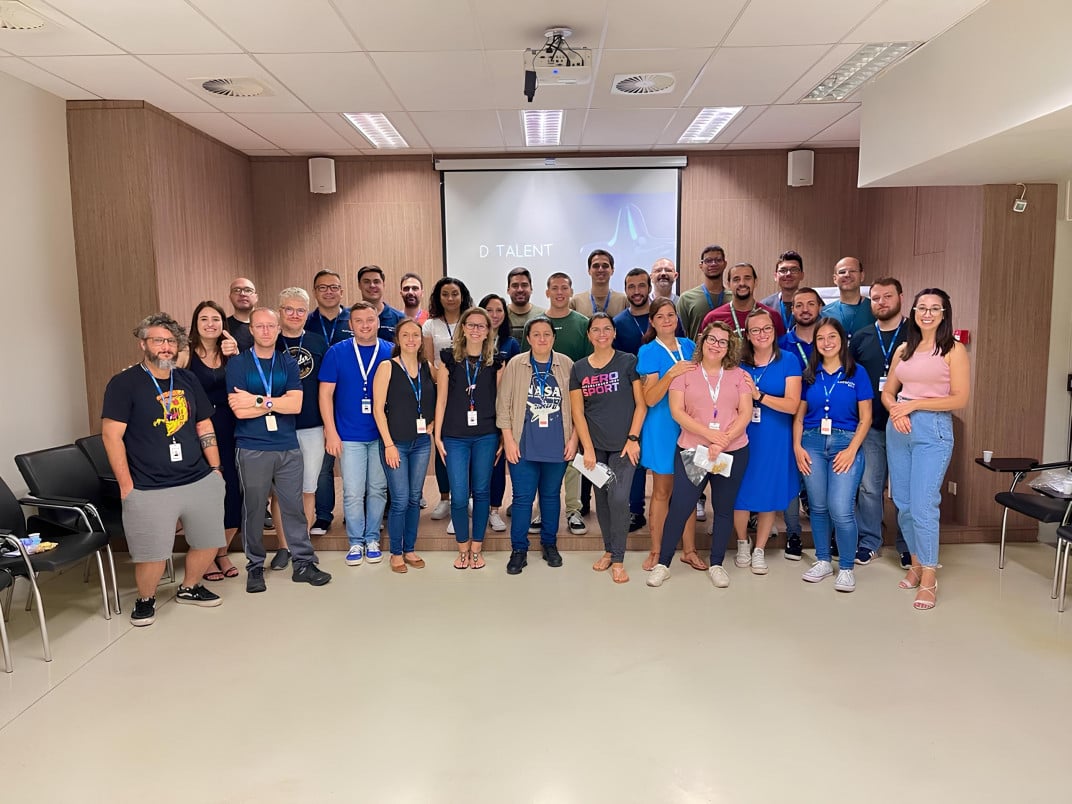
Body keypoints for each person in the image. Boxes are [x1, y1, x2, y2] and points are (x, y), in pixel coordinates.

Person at [102, 313, 226, 625]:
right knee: (153, 554)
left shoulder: (186, 379)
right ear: (143, 343)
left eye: (171, 341)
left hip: (198, 478)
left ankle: (190, 587)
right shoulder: (124, 384)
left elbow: (203, 423)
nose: (166, 346)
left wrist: (215, 468)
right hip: (148, 485)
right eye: (158, 340)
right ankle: (145, 599)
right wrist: (126, 486)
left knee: (209, 540)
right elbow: (111, 436)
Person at [227, 308, 332, 592]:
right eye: (259, 326)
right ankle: (254, 566)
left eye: (270, 326)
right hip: (252, 447)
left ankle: (303, 563)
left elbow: (295, 405)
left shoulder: (287, 362)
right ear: (251, 330)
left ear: (277, 329)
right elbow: (239, 411)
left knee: (293, 507)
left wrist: (258, 400)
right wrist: (276, 402)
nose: (265, 331)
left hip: (288, 446)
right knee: (254, 509)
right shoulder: (238, 364)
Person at [882, 288, 970, 611]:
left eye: (935, 308)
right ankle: (916, 563)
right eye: (922, 308)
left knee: (923, 505)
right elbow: (888, 392)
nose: (927, 313)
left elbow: (960, 398)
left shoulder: (953, 350)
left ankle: (930, 576)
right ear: (914, 312)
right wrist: (895, 410)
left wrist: (914, 405)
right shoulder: (903, 350)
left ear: (944, 314)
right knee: (903, 504)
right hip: (899, 427)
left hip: (932, 429)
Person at [647, 321, 752, 589]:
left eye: (722, 341)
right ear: (702, 341)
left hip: (732, 451)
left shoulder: (738, 375)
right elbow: (677, 412)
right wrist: (711, 436)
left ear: (729, 347)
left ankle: (717, 564)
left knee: (724, 509)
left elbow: (745, 413)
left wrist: (723, 440)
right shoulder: (685, 372)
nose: (716, 345)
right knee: (681, 507)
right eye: (711, 339)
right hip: (694, 451)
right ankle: (663, 565)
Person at [792, 318, 872, 593]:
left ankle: (846, 567)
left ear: (842, 340)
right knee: (818, 507)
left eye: (832, 337)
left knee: (840, 508)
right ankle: (823, 560)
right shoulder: (809, 374)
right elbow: (799, 417)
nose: (826, 343)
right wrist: (797, 447)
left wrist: (852, 450)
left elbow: (866, 418)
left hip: (845, 443)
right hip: (812, 443)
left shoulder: (857, 373)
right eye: (820, 338)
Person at [497, 316, 577, 575]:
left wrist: (574, 439)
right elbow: (503, 405)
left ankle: (549, 544)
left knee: (551, 497)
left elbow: (579, 408)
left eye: (547, 334)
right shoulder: (516, 364)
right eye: (536, 334)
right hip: (523, 444)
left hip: (558, 444)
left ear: (554, 338)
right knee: (522, 498)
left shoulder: (567, 364)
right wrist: (508, 440)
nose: (542, 339)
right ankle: (519, 549)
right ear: (528, 339)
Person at [570, 313, 646, 584]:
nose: (601, 334)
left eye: (606, 329)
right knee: (601, 501)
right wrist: (588, 449)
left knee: (618, 499)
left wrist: (633, 438)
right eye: (596, 329)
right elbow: (578, 412)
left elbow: (641, 404)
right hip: (595, 447)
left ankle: (619, 560)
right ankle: (608, 550)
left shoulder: (628, 361)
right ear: (589, 335)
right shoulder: (579, 368)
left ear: (614, 333)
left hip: (624, 446)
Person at [319, 301, 393, 567]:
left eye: (370, 320)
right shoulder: (336, 352)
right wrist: (331, 432)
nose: (365, 325)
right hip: (349, 435)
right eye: (358, 321)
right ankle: (355, 541)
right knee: (352, 491)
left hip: (381, 435)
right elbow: (325, 395)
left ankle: (372, 538)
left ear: (378, 322)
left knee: (378, 489)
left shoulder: (390, 351)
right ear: (350, 325)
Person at [636, 298, 706, 572]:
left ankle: (689, 550)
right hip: (662, 427)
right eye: (661, 316)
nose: (667, 320)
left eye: (671, 315)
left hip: (691, 426)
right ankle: (656, 550)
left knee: (688, 492)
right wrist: (671, 374)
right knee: (663, 491)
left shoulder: (689, 346)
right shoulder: (648, 351)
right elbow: (650, 398)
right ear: (652, 322)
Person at [732, 309, 802, 573]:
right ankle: (742, 542)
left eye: (767, 329)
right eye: (755, 330)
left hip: (775, 436)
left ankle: (760, 548)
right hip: (742, 435)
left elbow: (792, 405)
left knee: (768, 492)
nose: (762, 334)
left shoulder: (789, 360)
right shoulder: (738, 363)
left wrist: (758, 396)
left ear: (774, 331)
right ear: (747, 335)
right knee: (739, 493)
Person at [434, 306, 503, 569]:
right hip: (454, 436)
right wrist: (438, 436)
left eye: (481, 326)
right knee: (460, 495)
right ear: (463, 328)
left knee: (482, 492)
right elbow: (441, 401)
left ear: (488, 332)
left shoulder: (497, 362)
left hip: (486, 435)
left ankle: (477, 548)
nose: (475, 330)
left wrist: (501, 436)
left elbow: (501, 403)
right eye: (471, 325)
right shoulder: (448, 360)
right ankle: (462, 547)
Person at [849, 277, 910, 567]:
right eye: (876, 298)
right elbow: (852, 379)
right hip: (871, 425)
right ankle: (870, 542)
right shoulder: (861, 337)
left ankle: (907, 545)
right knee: (869, 488)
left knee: (903, 490)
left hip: (906, 424)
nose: (882, 302)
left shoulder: (916, 334)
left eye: (888, 296)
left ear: (901, 297)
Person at [180, 301, 241, 582]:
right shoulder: (186, 352)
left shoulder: (230, 351)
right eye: (203, 319)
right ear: (196, 323)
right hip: (196, 430)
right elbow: (167, 378)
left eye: (215, 319)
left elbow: (245, 383)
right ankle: (203, 555)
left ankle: (221, 552)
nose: (210, 324)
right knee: (205, 495)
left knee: (234, 493)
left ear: (223, 324)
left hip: (231, 427)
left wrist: (237, 355)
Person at [372, 318, 436, 573]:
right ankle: (396, 553)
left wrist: (433, 423)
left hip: (421, 443)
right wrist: (388, 444)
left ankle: (410, 549)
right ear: (397, 339)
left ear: (421, 340)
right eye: (406, 335)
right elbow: (378, 409)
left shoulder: (427, 367)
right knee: (399, 499)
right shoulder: (387, 367)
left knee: (414, 498)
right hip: (395, 443)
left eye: (416, 335)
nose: (411, 339)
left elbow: (440, 397)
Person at [272, 288, 328, 569]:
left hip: (312, 425)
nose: (294, 315)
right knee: (280, 492)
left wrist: (329, 425)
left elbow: (328, 387)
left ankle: (301, 546)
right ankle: (283, 547)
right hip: (277, 426)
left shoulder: (317, 341)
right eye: (288, 309)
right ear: (279, 311)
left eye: (300, 310)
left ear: (307, 313)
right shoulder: (269, 341)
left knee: (308, 488)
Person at [544, 272, 593, 535]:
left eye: (564, 288)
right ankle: (542, 510)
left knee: (573, 455)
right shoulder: (537, 323)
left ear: (571, 291)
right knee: (543, 457)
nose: (560, 292)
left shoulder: (582, 323)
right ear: (547, 292)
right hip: (541, 401)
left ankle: (574, 510)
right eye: (555, 288)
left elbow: (589, 365)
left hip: (575, 398)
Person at [422, 276, 474, 522]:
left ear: (462, 296)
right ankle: (444, 498)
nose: (450, 298)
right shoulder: (430, 325)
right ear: (438, 297)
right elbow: (428, 360)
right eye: (445, 294)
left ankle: (467, 497)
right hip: (439, 390)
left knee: (469, 444)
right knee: (442, 443)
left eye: (455, 293)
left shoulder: (471, 321)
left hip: (469, 390)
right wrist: (442, 379)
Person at [777, 286, 823, 559]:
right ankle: (793, 533)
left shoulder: (829, 340)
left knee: (820, 479)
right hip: (788, 416)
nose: (805, 309)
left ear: (820, 307)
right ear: (791, 310)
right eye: (799, 305)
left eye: (810, 304)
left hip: (821, 418)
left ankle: (825, 535)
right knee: (791, 477)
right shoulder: (782, 344)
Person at [305, 269, 352, 537]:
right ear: (315, 292)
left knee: (353, 462)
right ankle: (323, 515)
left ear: (342, 291)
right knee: (322, 464)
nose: (329, 292)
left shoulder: (353, 320)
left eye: (334, 287)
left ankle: (354, 512)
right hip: (318, 400)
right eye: (322, 287)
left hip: (351, 401)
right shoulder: (307, 323)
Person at [479, 292, 521, 533]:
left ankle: (494, 510)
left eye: (499, 310)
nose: (494, 315)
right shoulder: (473, 339)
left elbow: (516, 378)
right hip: (475, 410)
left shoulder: (510, 344)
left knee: (497, 460)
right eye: (489, 310)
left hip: (502, 409)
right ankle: (473, 507)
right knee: (474, 462)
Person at [701, 261, 786, 339]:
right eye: (736, 279)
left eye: (747, 278)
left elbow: (780, 348)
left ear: (755, 282)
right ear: (728, 284)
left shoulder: (772, 316)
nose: (742, 283)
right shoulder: (713, 318)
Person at [676, 245, 729, 341]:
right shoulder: (686, 299)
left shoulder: (734, 298)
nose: (713, 264)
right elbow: (679, 337)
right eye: (708, 261)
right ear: (701, 266)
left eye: (718, 260)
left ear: (725, 264)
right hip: (696, 350)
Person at [821, 257, 875, 335]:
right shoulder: (824, 313)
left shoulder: (875, 309)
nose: (847, 275)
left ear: (862, 276)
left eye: (852, 271)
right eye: (842, 272)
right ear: (835, 279)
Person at [570, 249, 628, 317]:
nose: (600, 269)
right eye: (596, 266)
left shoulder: (623, 301)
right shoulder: (576, 302)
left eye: (605, 266)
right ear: (589, 271)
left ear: (612, 270)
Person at [358, 264, 406, 342]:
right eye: (366, 282)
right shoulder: (348, 318)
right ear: (359, 285)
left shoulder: (400, 319)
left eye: (376, 281)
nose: (372, 285)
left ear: (383, 284)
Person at [760, 250, 805, 331]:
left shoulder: (812, 304)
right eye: (783, 270)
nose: (788, 274)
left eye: (794, 270)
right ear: (775, 276)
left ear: (802, 275)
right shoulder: (764, 306)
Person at [506, 267, 545, 342]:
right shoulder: (500, 316)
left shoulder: (543, 316)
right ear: (508, 290)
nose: (520, 290)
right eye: (515, 286)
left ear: (531, 289)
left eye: (524, 285)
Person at [225, 277, 257, 351]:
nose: (242, 294)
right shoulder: (223, 326)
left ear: (256, 297)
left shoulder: (270, 325)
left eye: (248, 290)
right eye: (237, 290)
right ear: (230, 297)